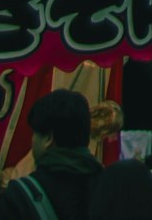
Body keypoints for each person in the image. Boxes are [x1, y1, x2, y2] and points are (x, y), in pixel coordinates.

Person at [7, 87, 103, 220]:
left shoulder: (21, 195)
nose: (32, 140)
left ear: (48, 138)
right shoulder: (109, 185)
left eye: (34, 133)